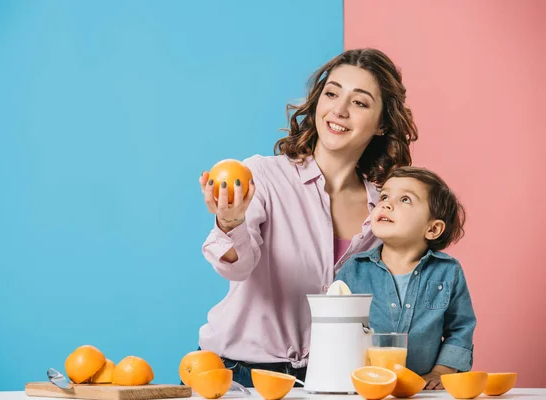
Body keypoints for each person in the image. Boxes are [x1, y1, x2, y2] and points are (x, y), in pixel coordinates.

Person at [197, 48, 419, 387]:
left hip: (331, 378)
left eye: (359, 103)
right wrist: (231, 222)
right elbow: (236, 267)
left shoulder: (383, 211)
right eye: (331, 94)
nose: (339, 111)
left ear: (382, 124)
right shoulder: (263, 176)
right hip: (238, 375)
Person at [334, 166, 476, 390]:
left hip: (423, 389)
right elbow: (335, 329)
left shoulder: (448, 271)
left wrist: (442, 371)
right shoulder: (353, 269)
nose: (386, 204)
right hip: (365, 386)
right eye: (384, 196)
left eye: (405, 200)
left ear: (433, 229)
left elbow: (460, 328)